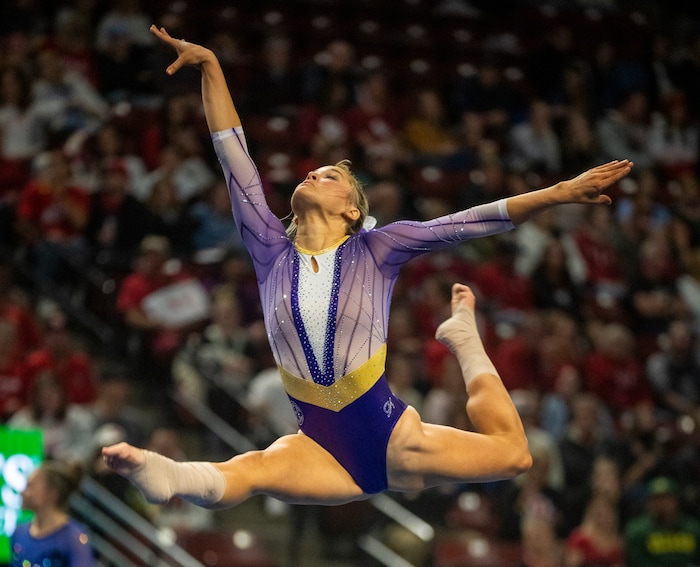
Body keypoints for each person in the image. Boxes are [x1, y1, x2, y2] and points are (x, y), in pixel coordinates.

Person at [102, 25, 633, 510]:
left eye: (330, 175)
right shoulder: (268, 249)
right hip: (319, 444)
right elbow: (233, 156)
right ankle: (167, 472)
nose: (313, 170)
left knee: (515, 455)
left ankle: (464, 337)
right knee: (252, 471)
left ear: (352, 210)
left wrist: (559, 193)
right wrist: (212, 67)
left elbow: (469, 221)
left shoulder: (377, 248)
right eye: (314, 169)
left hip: (389, 436)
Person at [10, 460, 95, 567]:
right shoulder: (19, 533)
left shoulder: (72, 538)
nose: (22, 492)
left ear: (51, 494)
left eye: (30, 487)